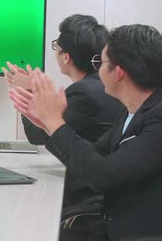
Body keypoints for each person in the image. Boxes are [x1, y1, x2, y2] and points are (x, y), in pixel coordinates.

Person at [9, 24, 162, 240]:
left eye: (100, 62)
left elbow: (104, 175)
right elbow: (95, 154)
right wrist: (47, 124)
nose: (96, 70)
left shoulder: (158, 116)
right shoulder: (129, 110)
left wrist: (54, 122)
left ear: (118, 73)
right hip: (113, 221)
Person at [3, 15, 123, 206]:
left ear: (66, 57)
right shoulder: (99, 87)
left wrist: (28, 91)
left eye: (56, 49)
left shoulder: (84, 93)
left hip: (89, 194)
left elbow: (38, 136)